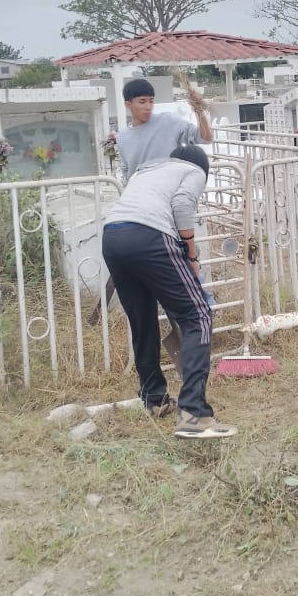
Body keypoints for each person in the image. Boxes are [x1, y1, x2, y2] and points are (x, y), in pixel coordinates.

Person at [101, 144, 237, 439]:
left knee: (142, 320)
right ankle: (193, 413)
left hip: (112, 236)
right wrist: (191, 255)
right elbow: (183, 205)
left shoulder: (147, 170)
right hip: (149, 236)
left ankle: (154, 399)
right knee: (198, 315)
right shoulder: (193, 171)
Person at [117, 78, 213, 182]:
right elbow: (127, 173)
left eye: (151, 101)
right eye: (142, 102)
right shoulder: (122, 137)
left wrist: (199, 110)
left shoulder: (168, 121)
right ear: (128, 104)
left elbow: (205, 138)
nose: (148, 107)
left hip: (169, 188)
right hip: (141, 190)